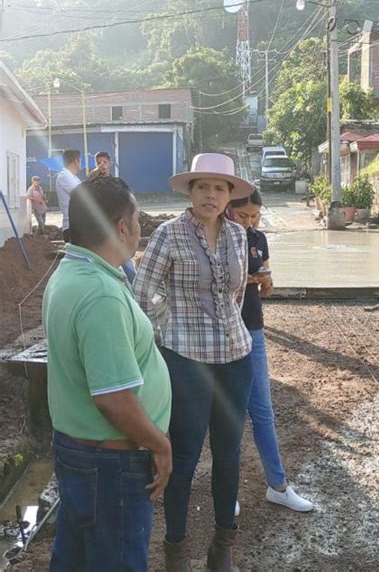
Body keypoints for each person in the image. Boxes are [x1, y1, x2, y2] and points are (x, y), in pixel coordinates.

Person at [43, 176, 172, 572]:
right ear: (121, 226)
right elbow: (114, 399)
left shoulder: (72, 270)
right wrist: (161, 446)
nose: (139, 229)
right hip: (111, 464)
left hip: (84, 453)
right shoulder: (99, 293)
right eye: (136, 220)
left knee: (77, 557)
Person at [134, 153, 255, 572]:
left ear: (229, 196)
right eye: (202, 186)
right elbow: (140, 294)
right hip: (185, 359)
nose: (210, 194)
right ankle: (176, 550)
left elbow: (235, 296)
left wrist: (228, 327)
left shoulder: (239, 236)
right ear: (190, 191)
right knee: (183, 455)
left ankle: (223, 546)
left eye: (219, 188)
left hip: (236, 358)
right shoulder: (168, 234)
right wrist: (160, 338)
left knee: (228, 452)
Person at [229, 189, 313, 513]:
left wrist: (265, 280)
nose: (250, 222)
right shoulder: (220, 240)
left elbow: (263, 270)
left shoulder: (258, 238)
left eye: (255, 217)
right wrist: (250, 279)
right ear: (229, 211)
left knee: (262, 410)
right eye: (244, 215)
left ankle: (278, 486)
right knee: (230, 414)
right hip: (224, 335)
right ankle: (227, 491)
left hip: (253, 328)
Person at [88, 150, 137, 283]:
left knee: (127, 265)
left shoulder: (118, 183)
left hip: (117, 229)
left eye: (104, 162)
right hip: (99, 231)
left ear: (110, 163)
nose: (102, 165)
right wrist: (92, 176)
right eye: (98, 163)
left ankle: (135, 292)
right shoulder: (92, 184)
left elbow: (129, 202)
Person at [55, 149, 81, 243]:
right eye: (80, 161)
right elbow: (82, 195)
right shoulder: (64, 176)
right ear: (76, 160)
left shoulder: (73, 177)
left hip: (78, 226)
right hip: (72, 227)